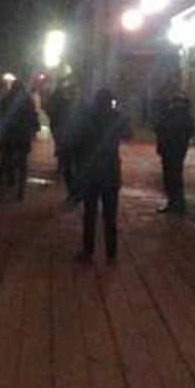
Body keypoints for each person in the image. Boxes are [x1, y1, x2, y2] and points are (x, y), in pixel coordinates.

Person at [69, 89, 131, 261]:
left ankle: (88, 251)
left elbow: (77, 142)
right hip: (111, 172)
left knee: (90, 214)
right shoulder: (116, 117)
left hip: (91, 173)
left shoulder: (88, 117)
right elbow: (128, 134)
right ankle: (111, 253)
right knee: (110, 216)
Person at [0, 84, 39, 199]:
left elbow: (1, 116)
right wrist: (32, 132)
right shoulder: (28, 101)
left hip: (9, 136)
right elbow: (33, 117)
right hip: (22, 136)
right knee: (22, 164)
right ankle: (20, 191)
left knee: (4, 162)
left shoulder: (8, 99)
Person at [154, 93, 195, 214]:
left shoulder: (170, 115)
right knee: (176, 176)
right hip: (179, 150)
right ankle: (178, 203)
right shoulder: (187, 116)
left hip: (169, 149)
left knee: (170, 177)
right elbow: (190, 132)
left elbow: (159, 127)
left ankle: (174, 203)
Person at [44, 79, 78, 190]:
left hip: (61, 128)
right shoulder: (68, 102)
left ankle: (63, 166)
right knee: (67, 151)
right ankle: (65, 167)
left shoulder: (61, 99)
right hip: (66, 129)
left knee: (63, 148)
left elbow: (49, 108)